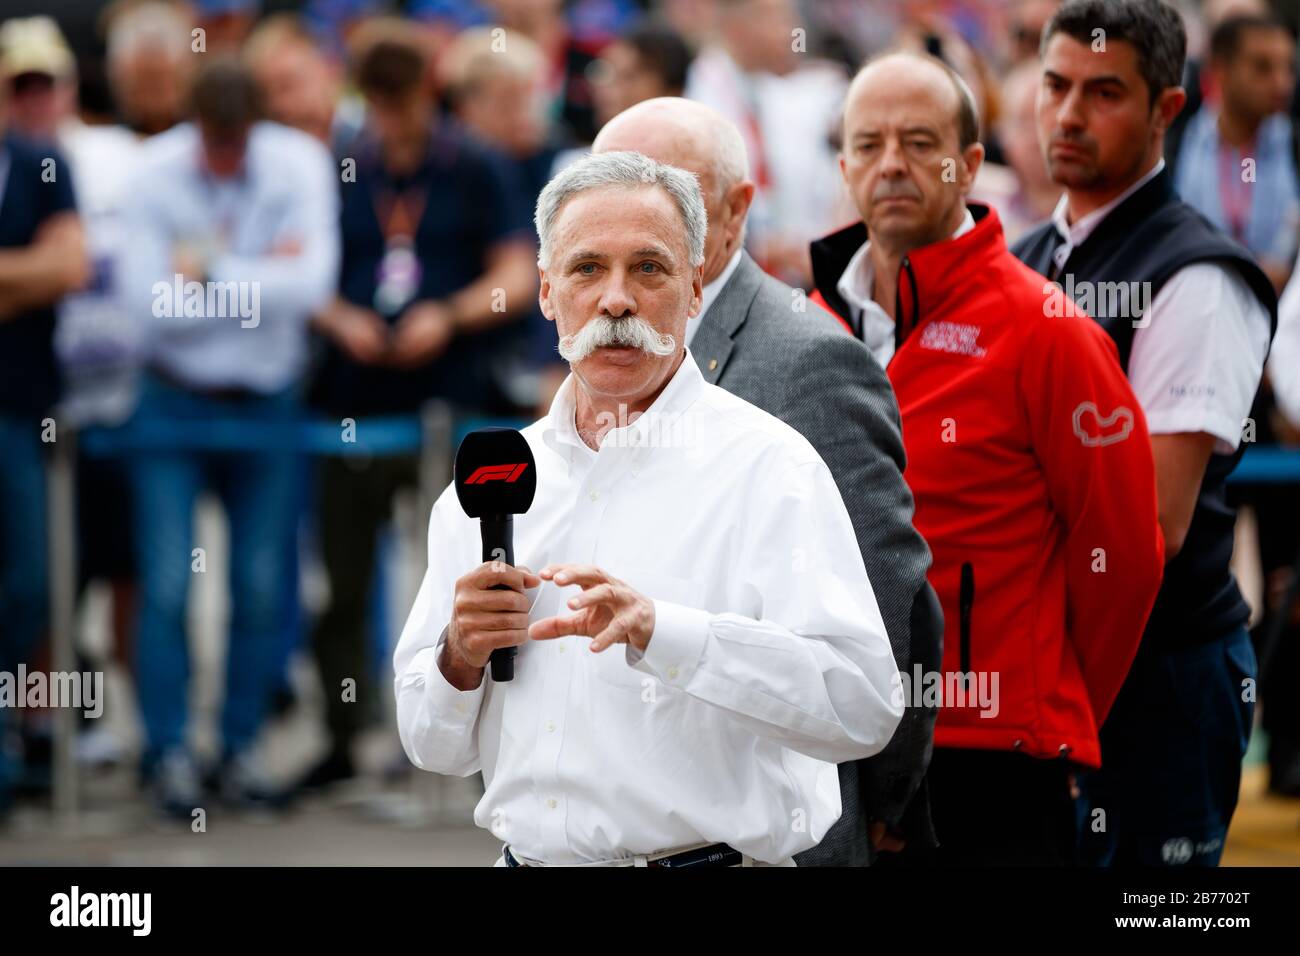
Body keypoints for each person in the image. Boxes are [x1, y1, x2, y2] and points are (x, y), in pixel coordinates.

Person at [394, 150, 903, 867]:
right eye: (586, 269)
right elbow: (429, 745)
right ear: (545, 291)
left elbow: (861, 705)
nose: (616, 300)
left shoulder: (768, 467)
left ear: (695, 289)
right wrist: (459, 656)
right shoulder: (492, 484)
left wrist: (666, 634)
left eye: (649, 269)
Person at [810, 50, 1165, 865]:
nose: (891, 164)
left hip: (993, 753)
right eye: (868, 145)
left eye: (918, 141)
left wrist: (1050, 706)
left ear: (970, 163)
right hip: (835, 744)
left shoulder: (1047, 329)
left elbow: (1125, 560)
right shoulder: (810, 326)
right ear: (842, 165)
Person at [591, 96, 942, 866]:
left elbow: (891, 612)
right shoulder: (605, 342)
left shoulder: (809, 360)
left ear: (735, 211)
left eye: (673, 190)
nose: (642, 210)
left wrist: (879, 806)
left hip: (776, 835)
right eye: (612, 184)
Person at [1013, 0, 1276, 866]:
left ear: (1168, 107)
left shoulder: (1199, 276)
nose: (1069, 114)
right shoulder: (1024, 257)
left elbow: (1150, 530)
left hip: (1165, 671)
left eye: (1105, 92)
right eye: (1056, 86)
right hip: (1051, 663)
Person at [303, 29, 536, 790]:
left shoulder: (474, 164)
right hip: (355, 400)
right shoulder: (342, 168)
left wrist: (450, 315)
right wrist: (341, 319)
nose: (392, 117)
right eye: (379, 101)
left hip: (454, 398)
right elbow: (301, 266)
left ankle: (470, 742)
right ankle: (346, 735)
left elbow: (517, 273)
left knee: (460, 576)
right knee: (347, 578)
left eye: (402, 100)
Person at [120, 58, 339, 819]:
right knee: (169, 588)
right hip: (172, 403)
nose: (224, 157)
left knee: (258, 584)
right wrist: (256, 279)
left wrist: (206, 274)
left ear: (254, 128)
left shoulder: (298, 161)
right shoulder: (153, 173)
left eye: (235, 141)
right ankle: (168, 754)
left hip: (267, 403)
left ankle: (241, 749)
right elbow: (146, 308)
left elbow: (312, 288)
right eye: (213, 142)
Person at [0, 49, 88, 825]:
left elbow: (70, 265)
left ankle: (13, 742)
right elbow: (48, 267)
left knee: (28, 581)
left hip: (19, 410)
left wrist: (31, 275)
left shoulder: (39, 161)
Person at [1169, 13, 1298, 293]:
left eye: (1287, 68)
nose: (1282, 83)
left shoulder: (1291, 144)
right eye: (1262, 68)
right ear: (1219, 70)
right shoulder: (1177, 141)